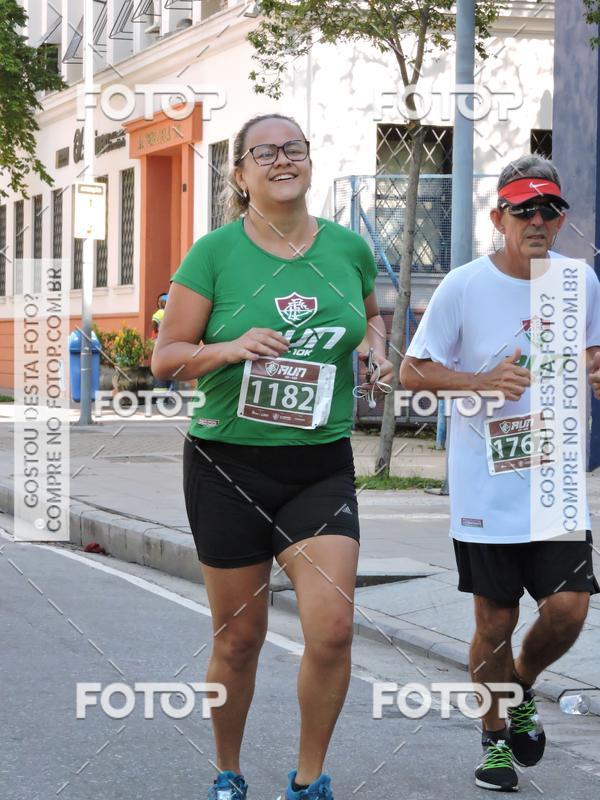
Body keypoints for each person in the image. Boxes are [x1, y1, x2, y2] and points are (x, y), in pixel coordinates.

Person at [151, 113, 393, 800]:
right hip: (228, 465)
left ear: (309, 161)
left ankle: (309, 779)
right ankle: (228, 772)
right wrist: (231, 347)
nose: (282, 160)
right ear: (240, 173)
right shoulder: (214, 254)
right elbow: (167, 359)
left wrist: (376, 352)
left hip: (319, 464)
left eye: (294, 148)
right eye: (265, 152)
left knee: (334, 629)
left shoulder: (348, 247)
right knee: (239, 638)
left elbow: (371, 316)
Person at [400, 155, 600, 792]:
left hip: (556, 486)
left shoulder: (580, 281)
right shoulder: (463, 286)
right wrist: (478, 382)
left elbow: (593, 355)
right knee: (495, 622)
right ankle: (493, 740)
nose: (539, 220)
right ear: (498, 218)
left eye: (551, 209)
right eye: (525, 210)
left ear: (561, 218)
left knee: (568, 610)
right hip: (486, 489)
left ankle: (519, 686)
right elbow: (413, 371)